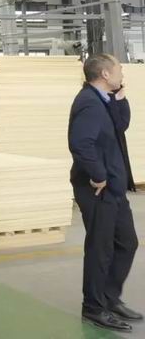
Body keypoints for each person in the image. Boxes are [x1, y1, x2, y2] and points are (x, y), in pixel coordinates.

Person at [68, 54, 140, 332]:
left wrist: (120, 100)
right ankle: (94, 308)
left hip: (114, 187)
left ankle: (109, 298)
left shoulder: (104, 99)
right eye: (119, 68)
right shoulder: (89, 102)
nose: (122, 71)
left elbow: (120, 127)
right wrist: (98, 175)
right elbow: (80, 143)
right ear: (105, 74)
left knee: (127, 243)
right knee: (101, 249)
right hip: (97, 189)